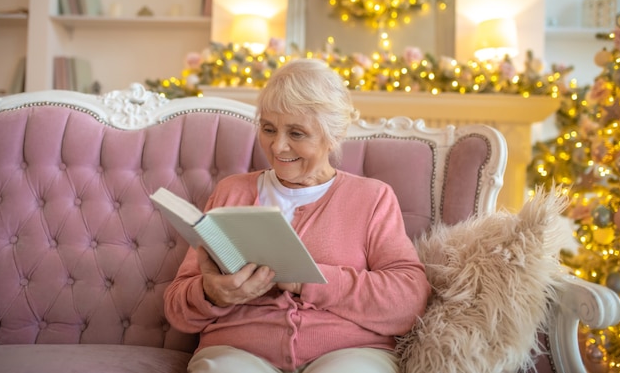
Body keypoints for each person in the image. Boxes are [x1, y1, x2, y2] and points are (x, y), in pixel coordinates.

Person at [164, 58, 431, 373]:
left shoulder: (372, 198)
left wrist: (310, 280)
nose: (278, 146)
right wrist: (211, 292)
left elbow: (408, 300)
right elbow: (176, 308)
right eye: (268, 129)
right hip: (237, 352)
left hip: (349, 354)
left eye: (297, 133)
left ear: (333, 135)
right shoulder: (231, 192)